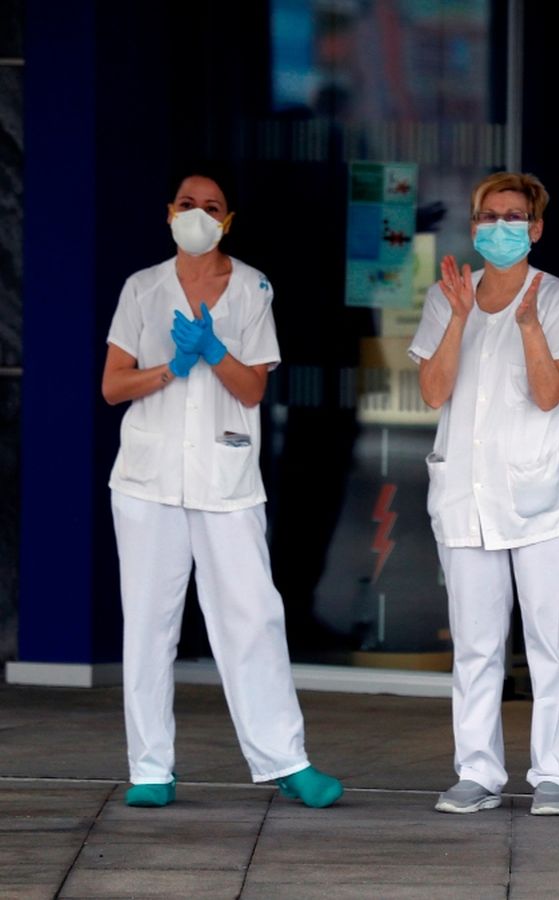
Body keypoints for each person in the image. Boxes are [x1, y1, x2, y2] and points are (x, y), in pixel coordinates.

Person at [101, 173, 343, 809]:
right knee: (149, 625)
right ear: (169, 213)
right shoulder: (141, 289)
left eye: (211, 207)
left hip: (226, 478)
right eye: (188, 204)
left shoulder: (253, 287)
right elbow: (112, 385)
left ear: (227, 220)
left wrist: (210, 350)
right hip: (147, 480)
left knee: (252, 616)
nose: (198, 214)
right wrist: (168, 369)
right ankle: (151, 767)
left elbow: (254, 388)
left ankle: (286, 759)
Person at [411, 172, 559, 816]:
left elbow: (549, 394)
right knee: (477, 644)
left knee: (553, 642)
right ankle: (478, 771)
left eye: (514, 217)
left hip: (545, 501)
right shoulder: (446, 298)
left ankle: (553, 775)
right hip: (468, 496)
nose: (501, 227)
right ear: (474, 224)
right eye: (489, 216)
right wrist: (461, 318)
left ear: (536, 228)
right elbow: (433, 391)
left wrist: (529, 328)